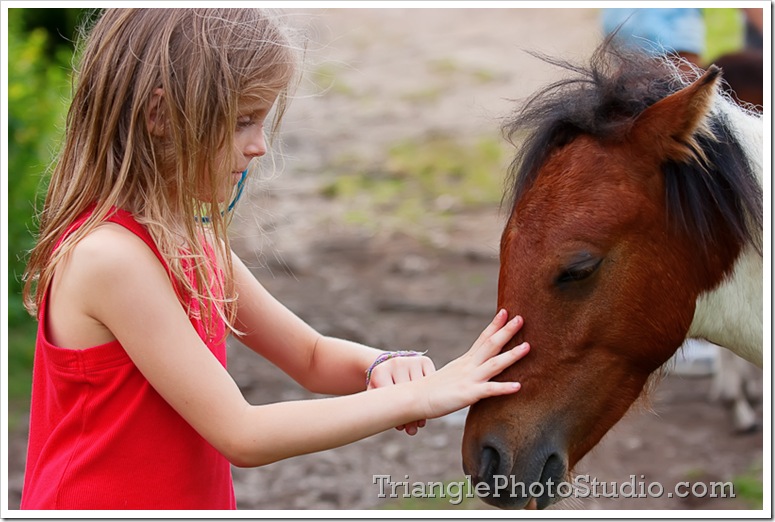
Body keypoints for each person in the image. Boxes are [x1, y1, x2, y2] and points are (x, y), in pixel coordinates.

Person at [19, 8, 531, 510]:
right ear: (159, 115)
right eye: (244, 120)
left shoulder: (191, 241)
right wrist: (419, 399)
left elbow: (309, 356)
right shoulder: (110, 258)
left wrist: (382, 366)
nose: (259, 146)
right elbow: (242, 433)